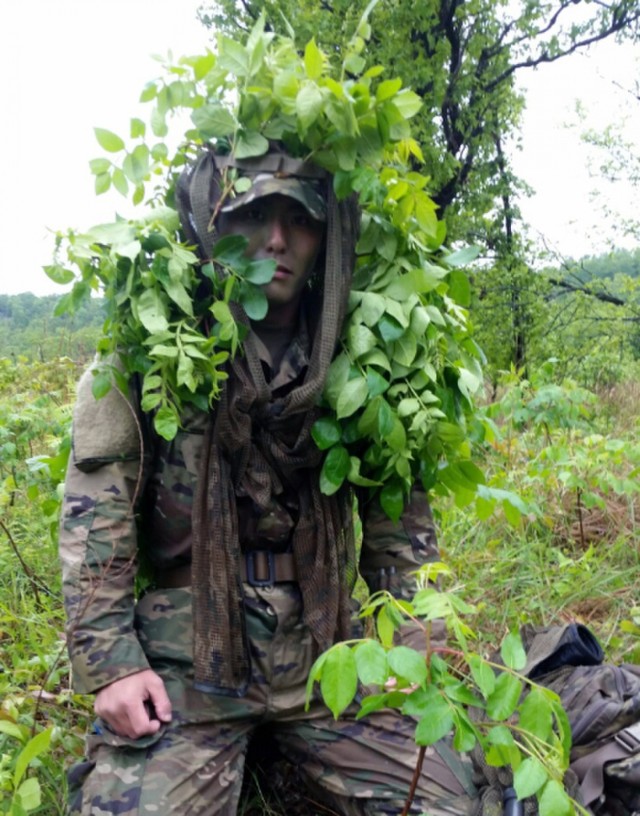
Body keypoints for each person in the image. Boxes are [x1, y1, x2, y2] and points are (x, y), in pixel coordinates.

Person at [60, 146, 477, 814]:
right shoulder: (149, 353)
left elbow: (401, 531)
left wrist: (417, 653)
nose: (276, 240)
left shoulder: (364, 360)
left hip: (328, 654)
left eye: (299, 219)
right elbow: (95, 518)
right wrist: (112, 666)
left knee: (453, 802)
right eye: (254, 213)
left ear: (327, 237)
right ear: (213, 221)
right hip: (186, 661)